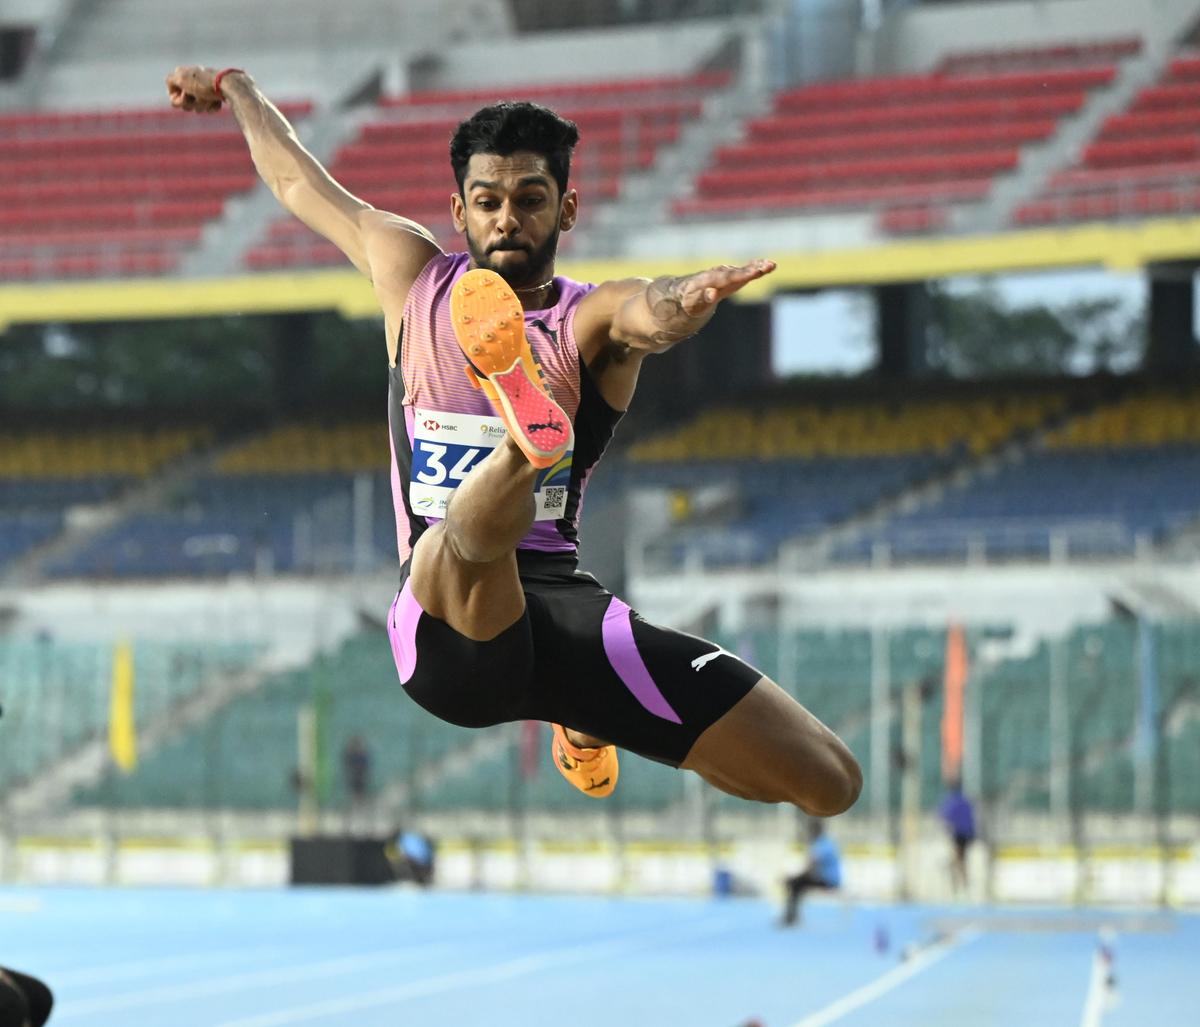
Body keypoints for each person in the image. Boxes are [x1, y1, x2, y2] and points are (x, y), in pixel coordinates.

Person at [165, 66, 862, 814]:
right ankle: (523, 445)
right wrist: (238, 89)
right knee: (462, 536)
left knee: (828, 780)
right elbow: (299, 183)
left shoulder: (587, 320)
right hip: (443, 630)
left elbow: (645, 311)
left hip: (561, 614)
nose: (507, 220)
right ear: (459, 208)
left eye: (530, 201)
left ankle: (591, 716)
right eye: (488, 202)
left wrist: (682, 301)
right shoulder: (411, 276)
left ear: (565, 210)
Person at [781, 819, 841, 926]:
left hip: (829, 881)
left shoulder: (822, 844)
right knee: (796, 883)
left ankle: (790, 917)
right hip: (826, 878)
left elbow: (811, 866)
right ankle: (791, 916)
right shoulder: (825, 842)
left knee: (795, 883)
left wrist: (794, 877)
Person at [938, 780, 976, 895]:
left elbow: (943, 815)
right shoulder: (966, 801)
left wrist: (947, 827)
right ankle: (963, 886)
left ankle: (959, 887)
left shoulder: (953, 801)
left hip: (958, 833)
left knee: (960, 860)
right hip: (967, 834)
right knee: (961, 860)